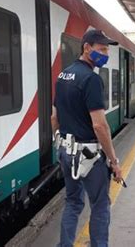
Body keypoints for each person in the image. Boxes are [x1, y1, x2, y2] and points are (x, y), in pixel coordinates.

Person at [51, 29, 123, 247]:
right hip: (89, 156)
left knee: (72, 202)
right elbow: (100, 125)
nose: (105, 54)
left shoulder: (64, 75)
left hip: (66, 151)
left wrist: (59, 144)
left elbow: (54, 117)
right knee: (100, 205)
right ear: (87, 47)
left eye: (107, 50)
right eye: (101, 49)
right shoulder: (91, 79)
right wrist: (113, 160)